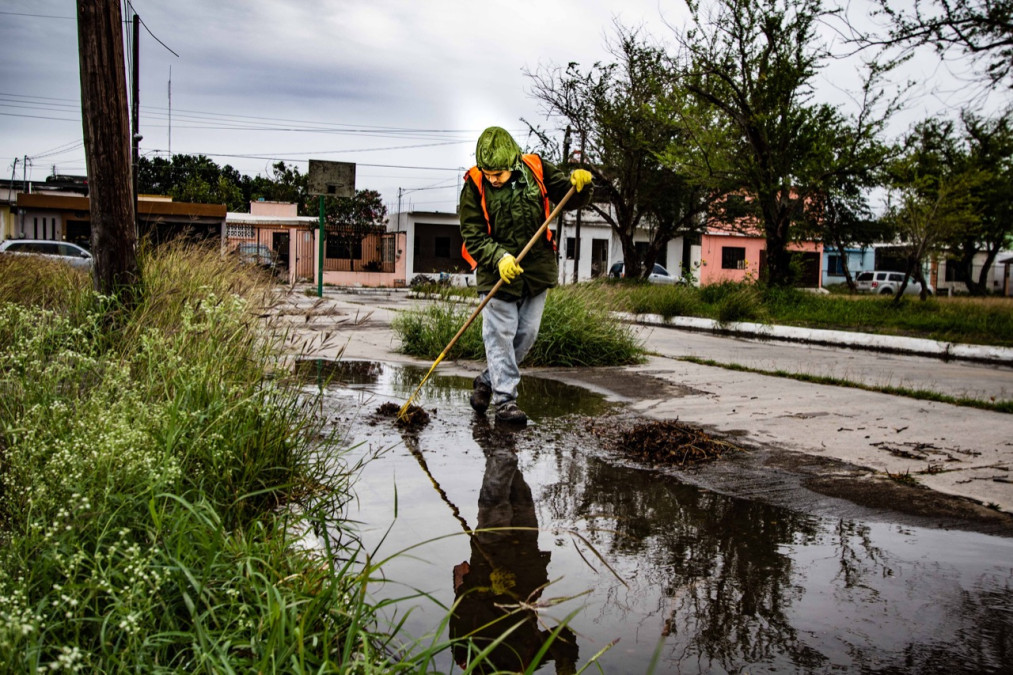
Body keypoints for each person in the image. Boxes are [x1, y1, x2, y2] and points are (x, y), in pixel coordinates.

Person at [460, 126, 593, 424]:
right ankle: (506, 402)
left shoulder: (535, 167)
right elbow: (472, 234)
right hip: (497, 273)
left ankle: (486, 381)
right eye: (489, 173)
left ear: (513, 162)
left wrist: (582, 185)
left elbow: (569, 197)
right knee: (500, 335)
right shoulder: (474, 184)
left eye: (499, 173)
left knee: (527, 335)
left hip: (535, 269)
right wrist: (499, 257)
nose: (493, 179)